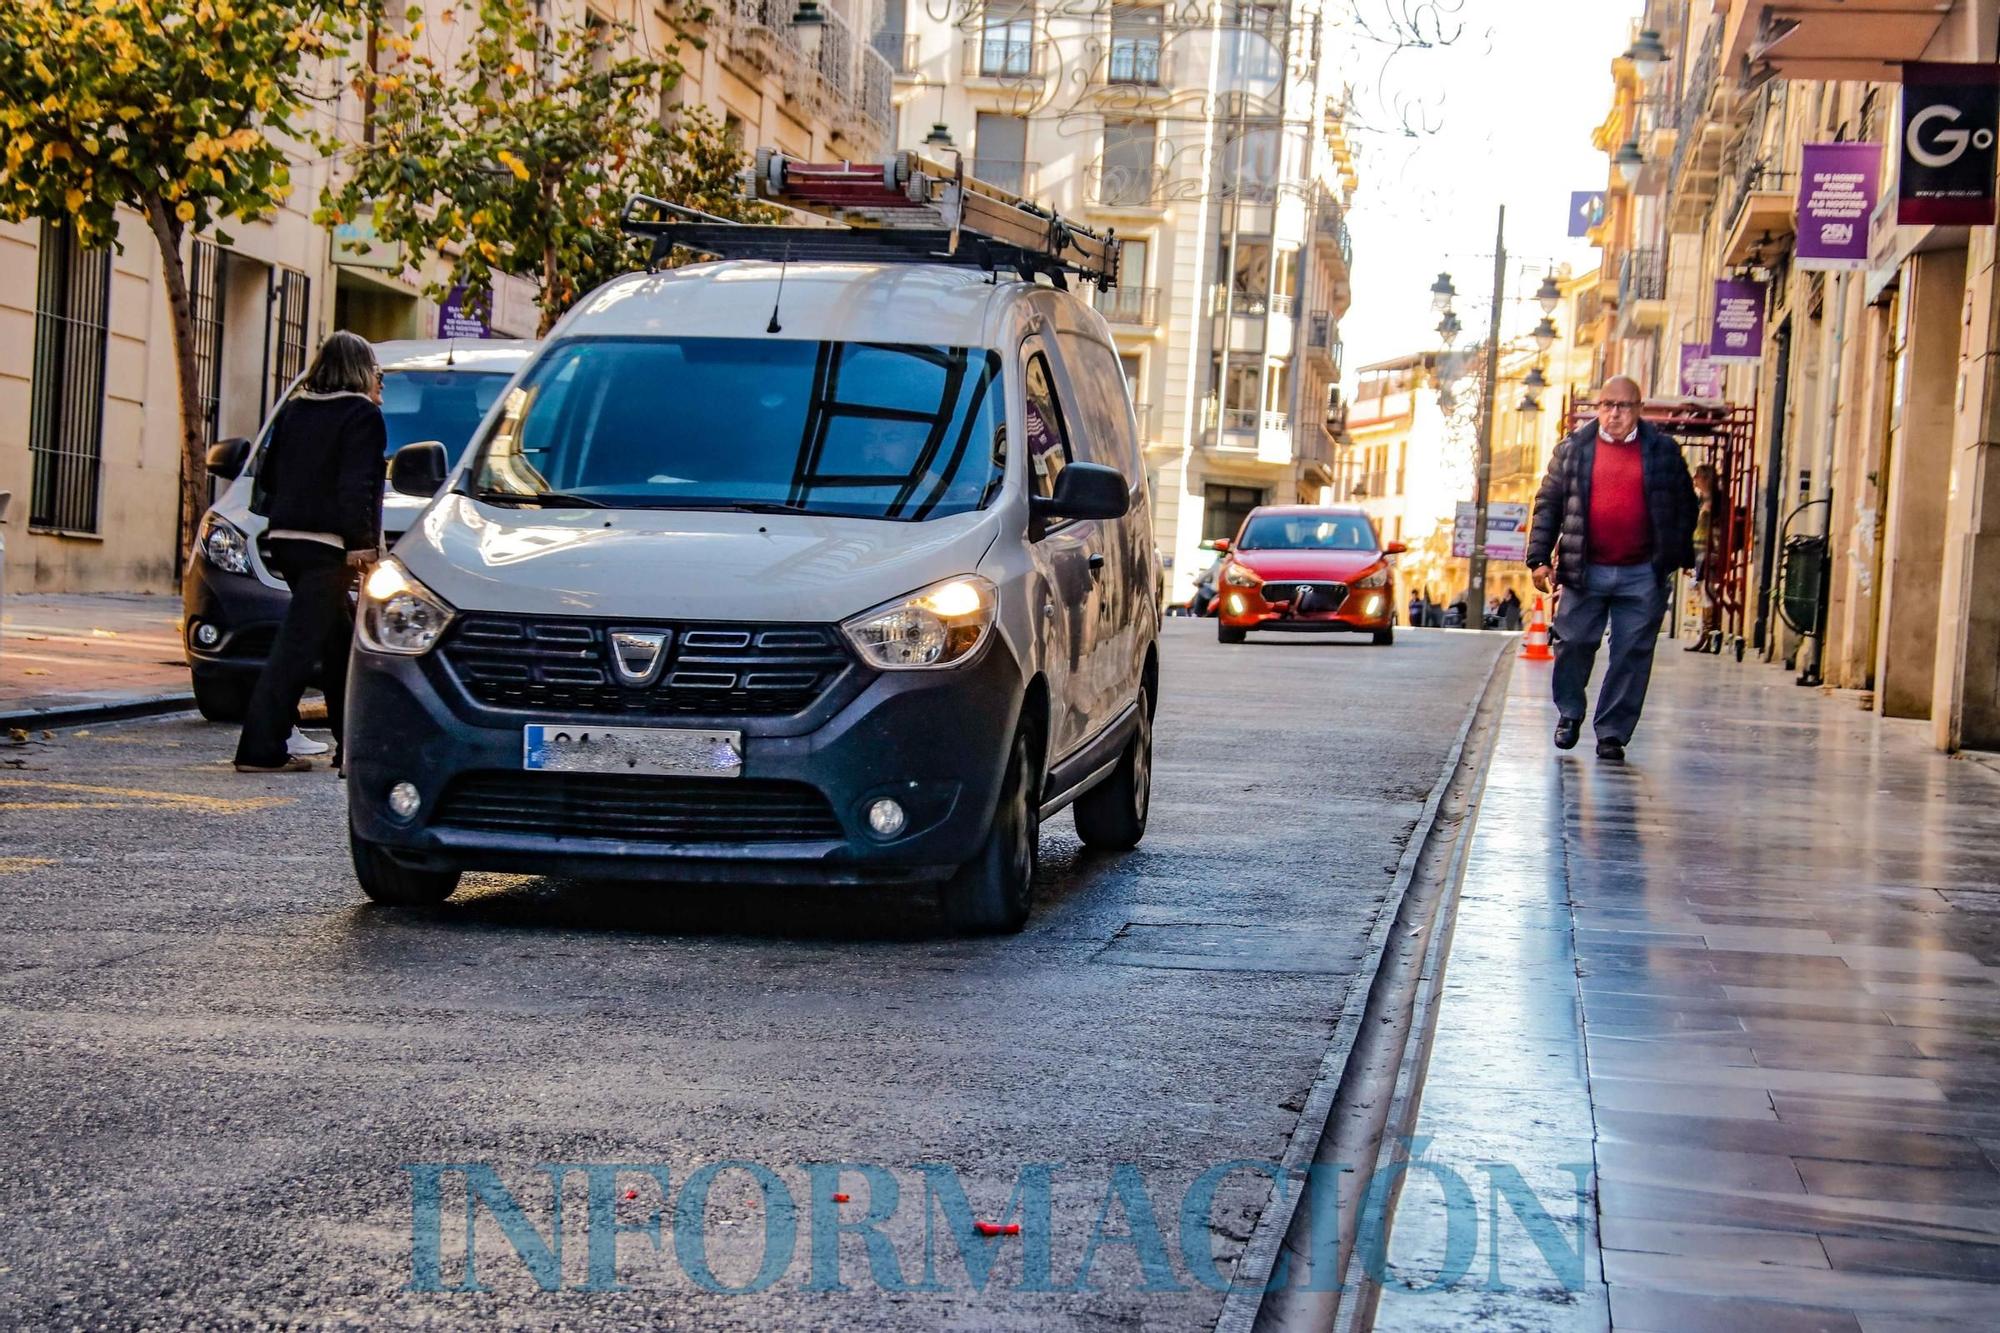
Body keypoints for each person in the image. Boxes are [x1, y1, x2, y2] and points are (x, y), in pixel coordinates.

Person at [232, 331, 387, 773]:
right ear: (361, 370)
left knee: (337, 642)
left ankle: (350, 745)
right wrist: (364, 548)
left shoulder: (296, 410)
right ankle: (260, 748)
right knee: (296, 649)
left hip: (285, 539)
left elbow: (270, 476)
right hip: (330, 547)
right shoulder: (362, 415)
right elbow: (358, 486)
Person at [1525, 376, 1698, 761]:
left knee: (1632, 653)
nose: (1614, 414)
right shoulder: (1572, 451)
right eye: (1607, 405)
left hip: (1642, 572)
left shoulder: (1663, 452)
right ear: (1598, 408)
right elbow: (1548, 503)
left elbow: (1686, 505)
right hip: (1584, 567)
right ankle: (1569, 713)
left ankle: (1612, 733)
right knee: (1573, 642)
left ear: (1638, 409)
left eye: (1623, 406)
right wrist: (1538, 559)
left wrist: (1675, 555)